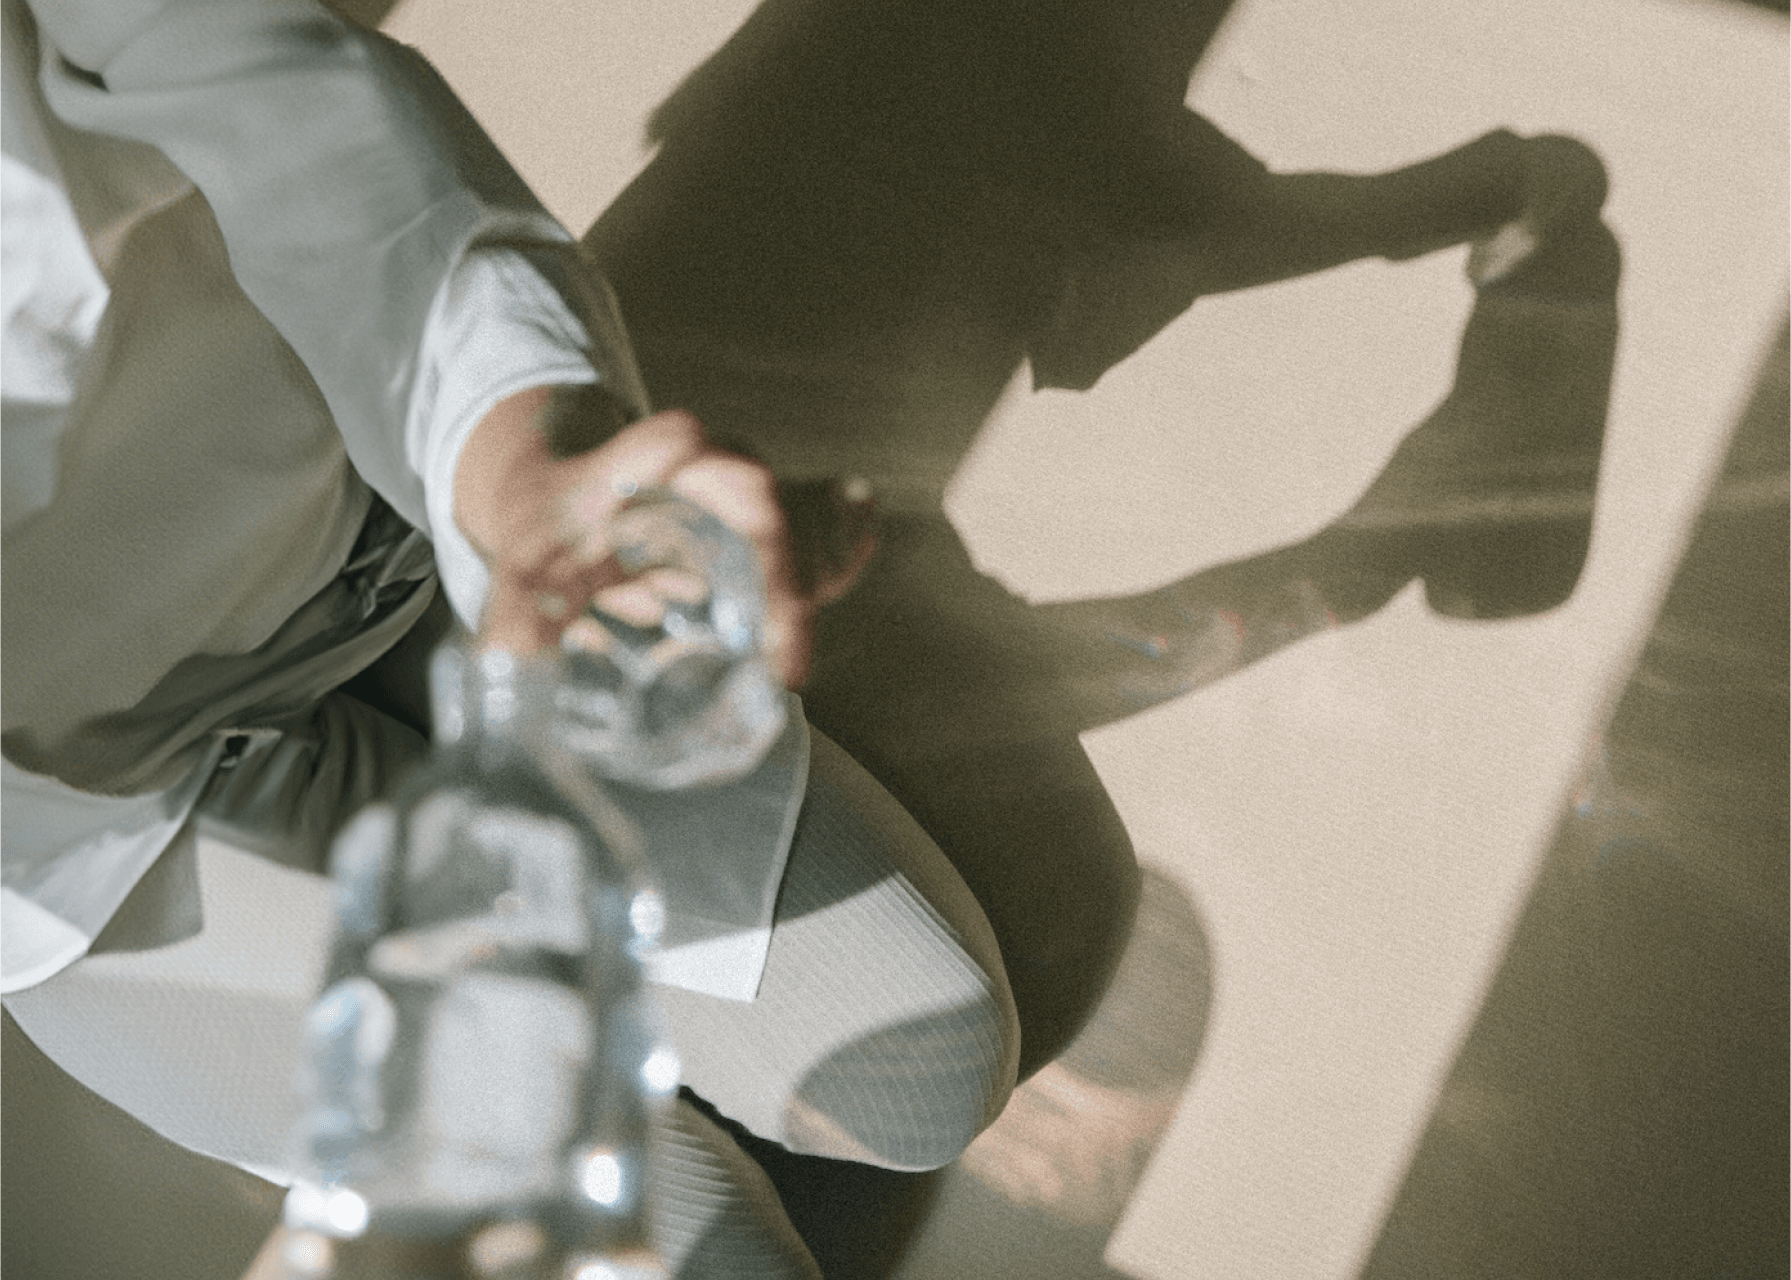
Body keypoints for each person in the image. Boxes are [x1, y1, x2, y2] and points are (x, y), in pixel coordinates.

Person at [0, 1, 1017, 1276]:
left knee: (936, 1064)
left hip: (386, 527)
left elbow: (263, 89)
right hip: (107, 855)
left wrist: (521, 456)